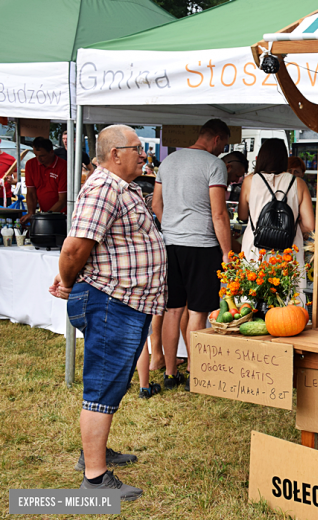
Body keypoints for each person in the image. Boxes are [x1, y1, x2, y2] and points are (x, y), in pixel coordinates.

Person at [49, 124, 166, 500]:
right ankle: (96, 480)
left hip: (122, 302)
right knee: (101, 387)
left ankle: (94, 453)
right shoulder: (103, 188)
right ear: (116, 153)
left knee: (111, 383)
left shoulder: (118, 187)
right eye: (137, 148)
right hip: (111, 302)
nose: (143, 154)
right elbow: (73, 249)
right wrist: (66, 282)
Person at [152, 119, 232, 391]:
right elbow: (219, 213)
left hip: (170, 244)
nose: (222, 150)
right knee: (197, 312)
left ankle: (171, 373)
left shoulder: (169, 161)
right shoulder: (214, 165)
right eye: (224, 145)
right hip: (202, 246)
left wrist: (172, 227)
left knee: (172, 311)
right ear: (217, 139)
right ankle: (196, 374)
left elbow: (155, 204)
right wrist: (227, 251)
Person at [238, 138, 314, 272]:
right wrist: (287, 228)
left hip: (256, 247)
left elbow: (242, 215)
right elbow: (309, 225)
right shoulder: (298, 184)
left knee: (254, 287)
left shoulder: (250, 181)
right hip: (288, 248)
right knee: (288, 290)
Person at [20, 137, 67, 224]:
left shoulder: (63, 166)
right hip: (44, 213)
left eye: (42, 156)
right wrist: (31, 213)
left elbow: (63, 200)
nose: (38, 159)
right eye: (36, 155)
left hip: (63, 216)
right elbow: (30, 192)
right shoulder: (30, 164)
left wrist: (45, 216)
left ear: (51, 152)